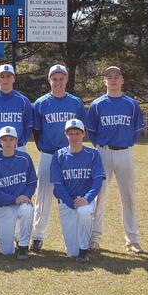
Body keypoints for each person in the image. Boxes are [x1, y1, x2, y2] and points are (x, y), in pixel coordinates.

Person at [87, 66, 146, 253]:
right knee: (99, 196)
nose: (113, 80)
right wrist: (101, 147)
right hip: (103, 152)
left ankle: (132, 240)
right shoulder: (97, 104)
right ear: (104, 81)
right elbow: (92, 132)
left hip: (124, 152)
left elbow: (137, 130)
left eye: (116, 76)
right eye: (109, 77)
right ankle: (94, 238)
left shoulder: (131, 104)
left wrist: (125, 144)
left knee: (128, 198)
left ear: (122, 81)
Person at [31, 64, 87, 253]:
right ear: (49, 80)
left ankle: (74, 238)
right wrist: (45, 150)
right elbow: (36, 131)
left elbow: (81, 129)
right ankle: (38, 236)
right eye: (54, 78)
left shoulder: (76, 102)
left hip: (70, 156)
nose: (58, 82)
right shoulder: (40, 103)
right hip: (48, 154)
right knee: (43, 197)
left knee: (71, 197)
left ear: (66, 80)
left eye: (61, 78)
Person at [0, 63, 34, 252]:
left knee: (19, 186)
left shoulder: (23, 101)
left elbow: (28, 126)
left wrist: (20, 144)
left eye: (8, 76)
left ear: (13, 78)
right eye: (1, 76)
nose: (5, 79)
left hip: (18, 148)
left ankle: (21, 237)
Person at [51, 119, 105, 263]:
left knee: (84, 211)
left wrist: (87, 199)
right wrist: (71, 203)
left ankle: (84, 249)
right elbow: (58, 185)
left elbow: (97, 181)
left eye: (77, 133)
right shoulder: (59, 155)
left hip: (85, 200)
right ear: (66, 135)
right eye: (71, 133)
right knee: (71, 253)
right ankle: (77, 248)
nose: (74, 137)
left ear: (84, 134)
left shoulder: (93, 154)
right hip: (66, 201)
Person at [0, 126, 37, 260]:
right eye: (5, 139)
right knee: (7, 251)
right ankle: (14, 236)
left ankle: (23, 246)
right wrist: (15, 199)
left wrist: (26, 196)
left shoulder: (25, 158)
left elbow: (32, 182)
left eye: (11, 139)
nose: (8, 142)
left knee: (27, 210)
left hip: (20, 205)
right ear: (0, 141)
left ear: (16, 141)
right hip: (3, 206)